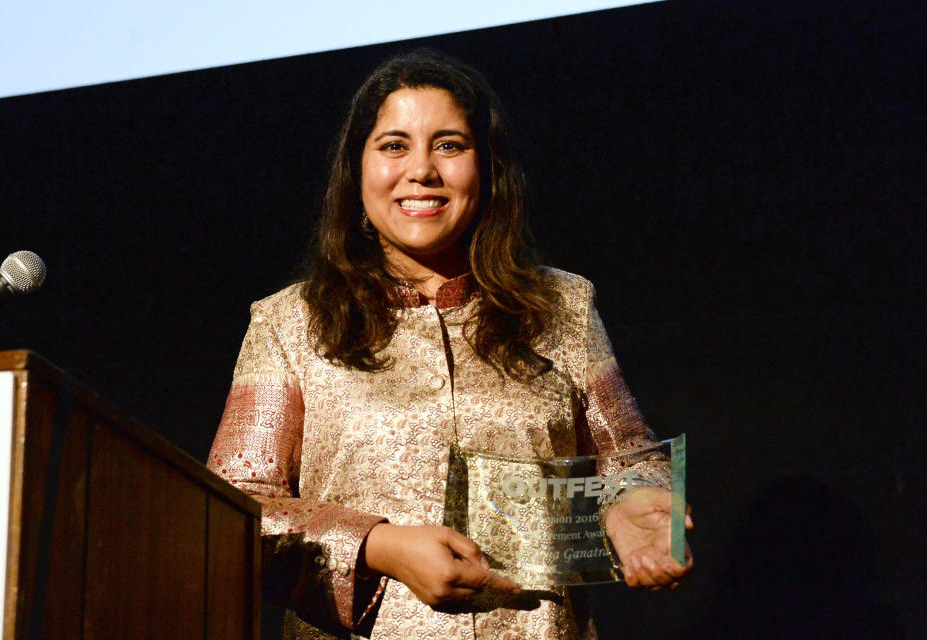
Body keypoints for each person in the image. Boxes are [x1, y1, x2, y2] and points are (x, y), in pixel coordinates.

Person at [207, 49, 693, 640]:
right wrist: (377, 545)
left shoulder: (561, 306)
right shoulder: (290, 322)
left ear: (486, 169)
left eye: (449, 145)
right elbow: (231, 510)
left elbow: (630, 457)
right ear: (356, 169)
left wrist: (635, 498)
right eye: (393, 145)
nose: (422, 171)